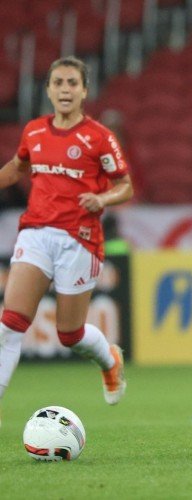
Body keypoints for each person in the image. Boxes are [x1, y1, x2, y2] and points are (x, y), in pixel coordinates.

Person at [0, 56, 132, 426]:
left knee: (69, 333)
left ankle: (109, 359)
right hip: (36, 233)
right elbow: (17, 167)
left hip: (80, 238)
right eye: (58, 82)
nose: (65, 89)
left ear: (84, 91)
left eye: (72, 83)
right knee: (10, 323)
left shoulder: (99, 137)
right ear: (48, 89)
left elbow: (125, 186)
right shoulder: (35, 132)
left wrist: (102, 199)